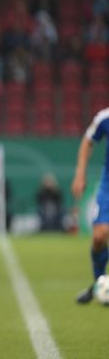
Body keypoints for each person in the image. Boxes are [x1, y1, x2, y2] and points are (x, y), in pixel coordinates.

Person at [72, 107, 109, 304]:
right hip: (108, 185)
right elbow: (88, 141)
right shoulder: (105, 118)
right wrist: (80, 174)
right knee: (99, 235)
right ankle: (99, 284)